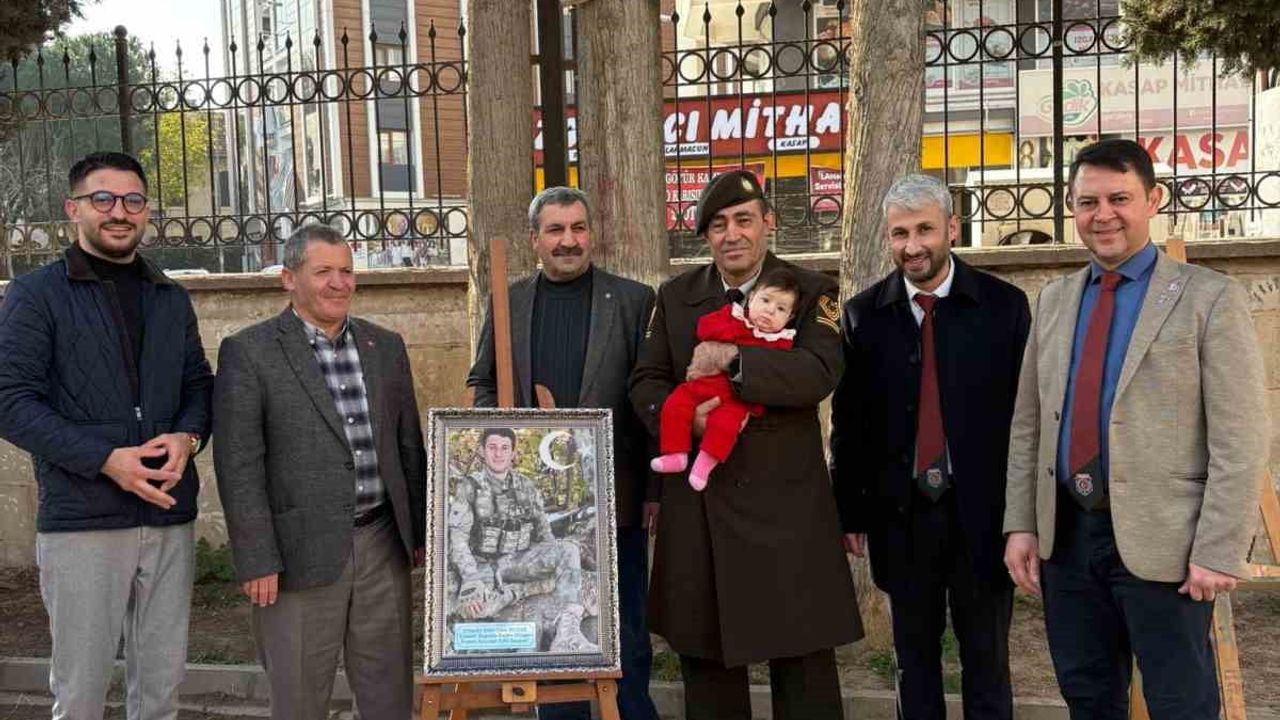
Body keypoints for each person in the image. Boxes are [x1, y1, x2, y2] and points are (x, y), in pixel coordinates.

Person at [1003, 138, 1268, 719]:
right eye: (1088, 202)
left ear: (1153, 199)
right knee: (1088, 697)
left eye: (1119, 199)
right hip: (1067, 539)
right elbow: (1029, 425)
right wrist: (1021, 524)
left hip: (1167, 545)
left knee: (1181, 703)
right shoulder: (1053, 301)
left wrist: (1218, 549)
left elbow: (1241, 436)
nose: (1103, 215)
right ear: (1071, 209)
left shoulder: (1208, 298)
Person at [629, 169, 861, 720]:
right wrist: (688, 422)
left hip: (787, 510)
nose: (731, 234)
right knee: (708, 669)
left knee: (804, 669)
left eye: (743, 220)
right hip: (702, 507)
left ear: (767, 223)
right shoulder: (676, 297)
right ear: (706, 236)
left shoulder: (813, 290)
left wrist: (735, 360)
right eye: (718, 225)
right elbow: (646, 381)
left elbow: (817, 372)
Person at [0, 151, 213, 720]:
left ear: (146, 212)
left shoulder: (170, 297)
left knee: (161, 692)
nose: (120, 211)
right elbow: (11, 402)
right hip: (83, 520)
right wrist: (105, 459)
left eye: (133, 200)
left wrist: (188, 437)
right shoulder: (35, 295)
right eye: (103, 199)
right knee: (81, 695)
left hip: (167, 513)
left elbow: (198, 385)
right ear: (74, 209)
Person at [831, 174, 1029, 720]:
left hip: (984, 518)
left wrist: (1024, 517)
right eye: (900, 234)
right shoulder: (863, 314)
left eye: (924, 230)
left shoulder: (1005, 307)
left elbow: (1026, 420)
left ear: (952, 228)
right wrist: (850, 511)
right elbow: (849, 424)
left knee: (987, 659)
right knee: (913, 664)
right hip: (902, 518)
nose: (912, 245)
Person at [212, 223, 426, 720]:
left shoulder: (384, 346)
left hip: (381, 543)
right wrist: (256, 558)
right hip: (296, 554)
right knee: (300, 697)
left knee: (389, 694)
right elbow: (239, 464)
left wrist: (417, 531)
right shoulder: (250, 352)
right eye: (323, 271)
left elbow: (407, 444)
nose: (339, 283)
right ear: (289, 278)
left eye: (346, 271)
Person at [466, 186, 659, 719]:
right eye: (555, 230)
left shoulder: (634, 300)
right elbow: (483, 381)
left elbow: (651, 398)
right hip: (541, 507)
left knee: (625, 629)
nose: (568, 241)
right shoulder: (508, 301)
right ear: (535, 239)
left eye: (578, 228)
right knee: (555, 623)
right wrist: (505, 430)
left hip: (616, 498)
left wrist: (654, 491)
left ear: (592, 234)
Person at [651, 267, 799, 490]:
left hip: (738, 396)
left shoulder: (781, 341)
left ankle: (704, 466)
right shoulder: (733, 316)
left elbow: (778, 369)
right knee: (676, 402)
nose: (770, 311)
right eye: (765, 300)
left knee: (725, 425)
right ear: (751, 298)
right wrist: (731, 332)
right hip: (706, 382)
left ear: (790, 318)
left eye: (781, 309)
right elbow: (704, 328)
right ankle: (676, 454)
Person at [447, 427, 595, 651]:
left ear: (513, 453)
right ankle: (519, 593)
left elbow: (545, 536)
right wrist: (471, 579)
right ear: (482, 451)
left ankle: (567, 633)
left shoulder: (526, 486)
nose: (498, 453)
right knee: (477, 608)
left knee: (568, 550)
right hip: (484, 564)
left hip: (518, 561)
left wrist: (554, 565)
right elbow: (457, 540)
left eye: (504, 448)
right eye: (492, 447)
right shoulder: (469, 487)